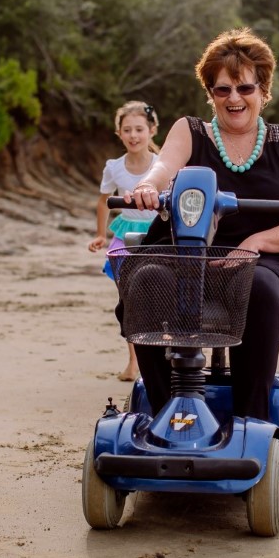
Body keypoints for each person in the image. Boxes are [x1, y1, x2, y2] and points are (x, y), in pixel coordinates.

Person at [122, 28, 279, 420]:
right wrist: (147, 185)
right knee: (145, 280)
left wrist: (256, 241)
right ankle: (169, 415)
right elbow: (163, 166)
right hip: (185, 253)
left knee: (259, 287)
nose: (234, 99)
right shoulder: (190, 130)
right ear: (210, 93)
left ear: (264, 91)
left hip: (262, 259)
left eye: (245, 89)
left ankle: (252, 420)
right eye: (222, 90)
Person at [87, 100, 160, 381]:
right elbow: (104, 200)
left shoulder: (161, 165)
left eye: (139, 129)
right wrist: (100, 234)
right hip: (125, 234)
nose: (133, 135)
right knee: (129, 298)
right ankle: (134, 361)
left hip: (157, 234)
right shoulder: (114, 167)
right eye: (127, 130)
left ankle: (159, 353)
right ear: (118, 133)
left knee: (158, 294)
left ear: (152, 130)